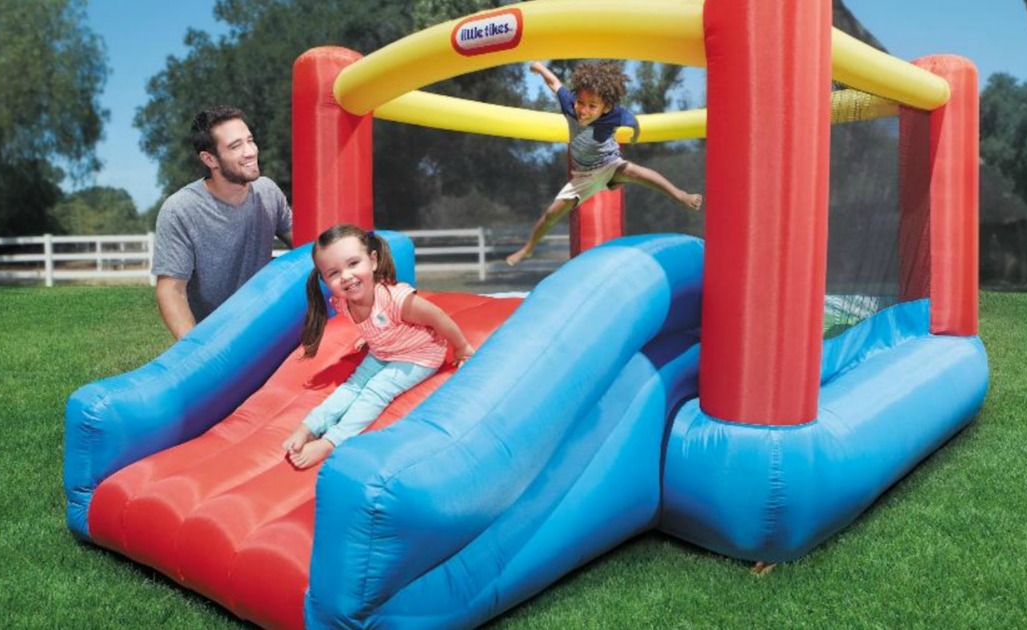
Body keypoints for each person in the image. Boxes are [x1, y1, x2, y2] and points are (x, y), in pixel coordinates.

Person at [281, 224, 476, 469]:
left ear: (372, 261)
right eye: (334, 273)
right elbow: (376, 323)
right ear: (324, 279)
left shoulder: (396, 299)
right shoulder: (342, 301)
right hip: (383, 351)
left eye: (353, 264)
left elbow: (437, 316)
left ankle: (332, 441)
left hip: (419, 355)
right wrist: (375, 337)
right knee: (350, 387)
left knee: (375, 390)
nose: (346, 276)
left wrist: (462, 348)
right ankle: (309, 427)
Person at [506, 61, 703, 267]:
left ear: (605, 107)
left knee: (636, 172)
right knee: (550, 215)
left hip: (608, 164)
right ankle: (528, 248)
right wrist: (540, 68)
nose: (583, 110)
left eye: (592, 106)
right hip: (583, 176)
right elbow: (554, 83)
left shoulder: (615, 115)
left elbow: (633, 122)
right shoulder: (569, 105)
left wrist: (635, 135)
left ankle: (680, 195)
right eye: (580, 102)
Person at [152, 105, 294, 339]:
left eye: (250, 140)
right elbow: (171, 291)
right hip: (218, 339)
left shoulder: (268, 191)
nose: (250, 151)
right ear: (210, 159)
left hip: (270, 324)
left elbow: (307, 247)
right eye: (235, 146)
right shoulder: (180, 210)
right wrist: (195, 352)